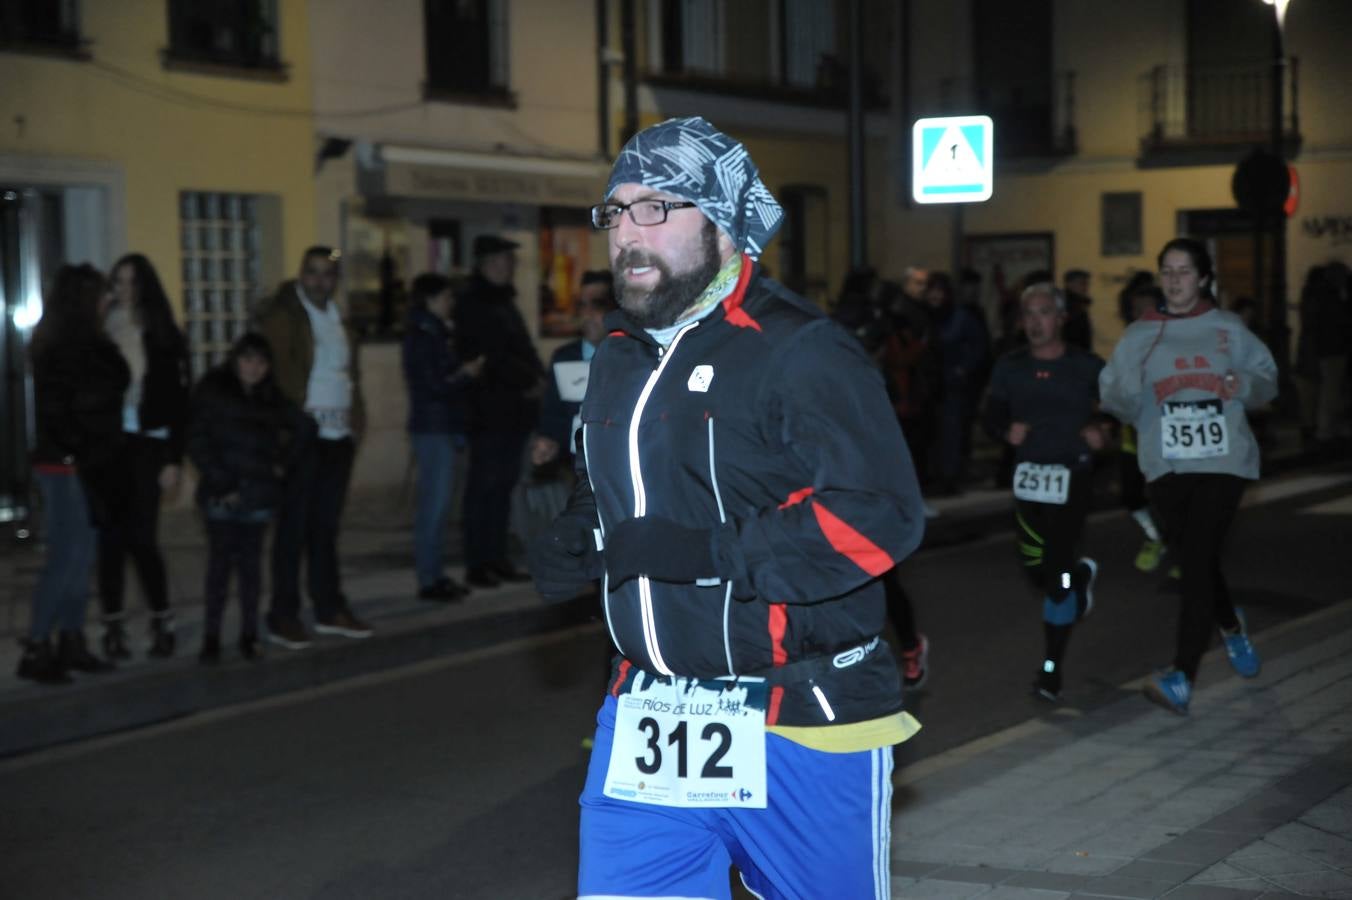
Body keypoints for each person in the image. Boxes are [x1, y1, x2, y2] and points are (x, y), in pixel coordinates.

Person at [528, 116, 926, 900]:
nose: (626, 233)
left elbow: (878, 514)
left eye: (656, 208)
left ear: (719, 221)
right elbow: (615, 486)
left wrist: (713, 555)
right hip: (648, 714)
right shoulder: (617, 353)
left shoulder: (799, 350)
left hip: (799, 715)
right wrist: (579, 533)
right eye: (615, 211)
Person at [1100, 238, 1277, 715]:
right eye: (1168, 272)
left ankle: (1182, 675)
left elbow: (1267, 378)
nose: (1175, 280)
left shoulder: (1227, 329)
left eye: (1184, 271)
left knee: (1197, 557)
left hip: (1223, 462)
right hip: (1167, 464)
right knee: (1197, 560)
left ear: (1202, 278)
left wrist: (1246, 385)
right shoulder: (1141, 334)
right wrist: (1126, 395)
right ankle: (1231, 625)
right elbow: (1113, 393)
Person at [983, 283, 1109, 701]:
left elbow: (1118, 406)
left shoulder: (1087, 366)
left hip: (1072, 474)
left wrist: (1102, 429)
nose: (1035, 322)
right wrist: (1005, 429)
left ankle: (1050, 669)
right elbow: (990, 412)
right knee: (1035, 567)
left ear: (1061, 319)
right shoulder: (1010, 366)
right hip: (1029, 478)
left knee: (1056, 572)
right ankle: (1081, 577)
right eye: (1028, 314)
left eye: (1043, 313)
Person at [256, 246, 372, 648]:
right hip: (303, 437)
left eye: (327, 274)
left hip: (338, 436)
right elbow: (275, 374)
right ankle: (282, 614)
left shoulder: (338, 317)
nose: (320, 280)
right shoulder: (284, 316)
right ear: (301, 274)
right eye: (313, 273)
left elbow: (348, 374)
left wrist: (356, 420)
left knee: (325, 528)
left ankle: (329, 607)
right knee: (292, 529)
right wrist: (294, 422)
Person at [20, 264, 129, 683]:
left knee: (81, 557)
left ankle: (70, 639)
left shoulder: (78, 345)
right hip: (68, 465)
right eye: (103, 295)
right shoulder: (69, 349)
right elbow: (67, 412)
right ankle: (36, 645)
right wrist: (80, 453)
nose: (108, 302)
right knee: (67, 557)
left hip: (82, 461)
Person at [91, 253, 191, 660]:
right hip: (110, 444)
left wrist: (173, 458)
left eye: (133, 282)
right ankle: (113, 625)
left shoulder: (164, 333)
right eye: (119, 282)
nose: (125, 290)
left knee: (142, 539)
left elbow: (179, 402)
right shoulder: (102, 330)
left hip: (148, 442)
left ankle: (161, 619)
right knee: (110, 541)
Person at [454, 235, 545, 588]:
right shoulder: (474, 303)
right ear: (487, 263)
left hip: (514, 411)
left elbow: (521, 347)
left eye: (511, 260)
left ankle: (496, 557)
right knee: (484, 488)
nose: (509, 266)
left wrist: (539, 377)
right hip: (490, 410)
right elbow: (492, 355)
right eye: (504, 260)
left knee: (502, 488)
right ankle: (478, 562)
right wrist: (529, 380)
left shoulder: (504, 302)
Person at [402, 273, 483, 601]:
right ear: (432, 299)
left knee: (438, 506)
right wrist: (465, 373)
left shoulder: (434, 331)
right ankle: (428, 579)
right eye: (447, 297)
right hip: (434, 428)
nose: (451, 303)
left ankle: (434, 574)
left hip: (441, 426)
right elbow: (432, 385)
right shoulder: (424, 334)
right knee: (433, 508)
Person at [532, 270, 617, 470]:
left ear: (615, 308)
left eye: (596, 305)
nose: (587, 315)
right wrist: (549, 441)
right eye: (581, 305)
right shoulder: (564, 357)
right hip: (576, 469)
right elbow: (554, 415)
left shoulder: (635, 356)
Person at [926, 271, 989, 495]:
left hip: (951, 384)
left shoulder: (960, 317)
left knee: (951, 432)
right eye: (931, 291)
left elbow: (978, 347)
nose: (934, 296)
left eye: (938, 291)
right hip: (929, 385)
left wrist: (962, 369)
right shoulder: (925, 316)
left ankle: (949, 477)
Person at [1062, 268, 1094, 351]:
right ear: (1070, 284)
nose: (1085, 287)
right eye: (1082, 283)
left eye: (1086, 284)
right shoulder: (1069, 305)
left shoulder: (1078, 303)